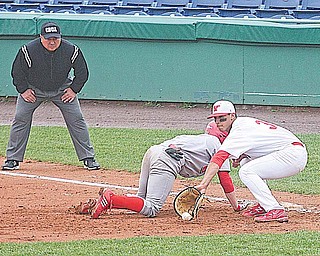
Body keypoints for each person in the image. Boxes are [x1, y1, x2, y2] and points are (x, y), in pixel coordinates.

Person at [89, 121, 244, 219]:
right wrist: (236, 206)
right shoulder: (217, 144)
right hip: (165, 160)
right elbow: (225, 180)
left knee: (141, 199)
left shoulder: (200, 140)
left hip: (153, 152)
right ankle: (111, 199)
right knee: (152, 208)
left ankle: (102, 203)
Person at [1, 22, 100, 171]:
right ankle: (12, 159)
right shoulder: (28, 50)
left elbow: (82, 72)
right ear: (41, 37)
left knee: (76, 118)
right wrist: (23, 90)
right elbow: (17, 72)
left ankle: (88, 157)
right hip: (33, 90)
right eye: (48, 38)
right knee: (21, 117)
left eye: (55, 38)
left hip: (62, 89)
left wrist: (73, 90)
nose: (52, 42)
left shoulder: (71, 50)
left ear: (60, 38)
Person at [196, 100, 308, 223]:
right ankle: (264, 204)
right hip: (289, 152)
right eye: (215, 119)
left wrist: (203, 185)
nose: (218, 123)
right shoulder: (244, 123)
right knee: (245, 162)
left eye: (222, 118)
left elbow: (218, 158)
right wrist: (242, 156)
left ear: (232, 116)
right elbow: (260, 144)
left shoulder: (239, 130)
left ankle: (275, 209)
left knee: (246, 171)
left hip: (292, 155)